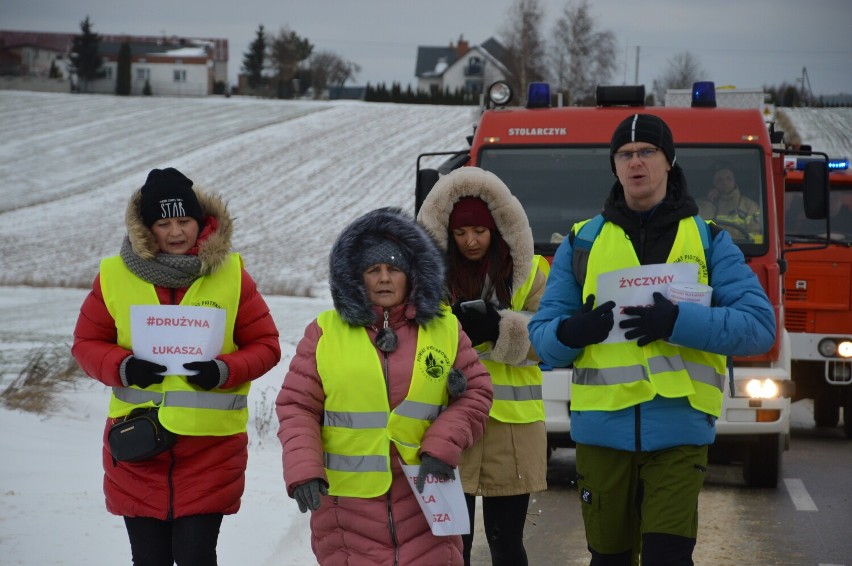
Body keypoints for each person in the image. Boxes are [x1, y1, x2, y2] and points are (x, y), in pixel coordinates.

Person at [528, 114, 776, 565]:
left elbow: (758, 327)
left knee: (668, 558)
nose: (635, 162)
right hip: (601, 434)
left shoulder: (709, 241)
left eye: (647, 152)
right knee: (609, 560)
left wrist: (678, 321)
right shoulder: (582, 243)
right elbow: (541, 341)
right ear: (614, 166)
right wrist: (572, 331)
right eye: (625, 154)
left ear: (669, 161)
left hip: (679, 432)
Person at [72, 167, 282, 565]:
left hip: (210, 450)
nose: (175, 232)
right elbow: (85, 344)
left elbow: (267, 346)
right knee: (148, 559)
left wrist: (223, 370)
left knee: (196, 556)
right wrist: (123, 367)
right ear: (145, 228)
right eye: (163, 223)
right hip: (137, 446)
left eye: (184, 220)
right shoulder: (113, 275)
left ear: (202, 223)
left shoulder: (233, 275)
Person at [276, 206, 493, 566]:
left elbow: (477, 392)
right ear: (355, 278)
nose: (384, 278)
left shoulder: (444, 329)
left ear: (412, 275)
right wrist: (303, 470)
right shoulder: (325, 332)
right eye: (373, 270)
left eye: (394, 269)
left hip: (426, 499)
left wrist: (442, 445)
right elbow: (297, 406)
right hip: (347, 512)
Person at [417, 167, 550, 566]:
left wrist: (500, 329)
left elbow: (550, 340)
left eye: (479, 230)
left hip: (512, 428)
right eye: (460, 233)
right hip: (450, 426)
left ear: (497, 227)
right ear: (446, 235)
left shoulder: (532, 273)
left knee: (506, 545)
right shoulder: (427, 279)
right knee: (451, 546)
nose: (471, 241)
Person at [696, 163, 761, 242]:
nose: (725, 182)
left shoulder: (750, 206)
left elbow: (757, 236)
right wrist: (709, 203)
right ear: (713, 183)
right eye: (719, 180)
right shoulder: (700, 205)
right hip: (711, 251)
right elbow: (698, 231)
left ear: (735, 180)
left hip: (741, 251)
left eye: (728, 178)